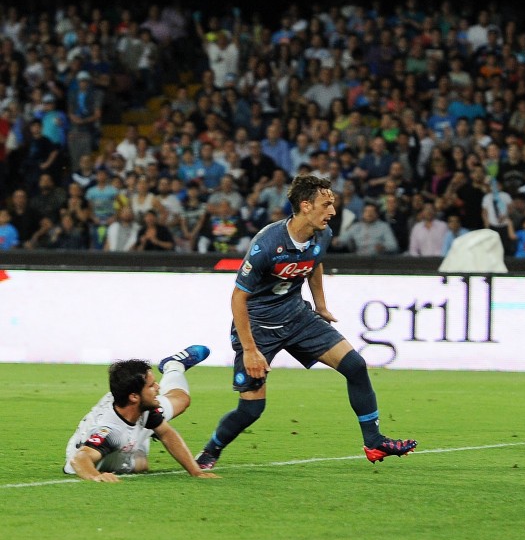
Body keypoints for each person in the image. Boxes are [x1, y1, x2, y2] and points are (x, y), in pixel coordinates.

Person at [194, 174, 416, 471]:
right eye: (327, 204)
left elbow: (315, 263)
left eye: (333, 204)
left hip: (298, 317)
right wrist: (249, 349)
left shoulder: (321, 234)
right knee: (251, 409)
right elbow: (238, 298)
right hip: (259, 328)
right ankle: (211, 451)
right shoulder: (267, 243)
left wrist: (321, 305)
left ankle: (373, 441)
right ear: (306, 206)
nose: (333, 211)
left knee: (355, 366)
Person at [64, 346, 219, 482]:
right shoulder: (111, 433)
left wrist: (195, 471)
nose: (158, 387)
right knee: (140, 464)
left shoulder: (142, 406)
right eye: (152, 385)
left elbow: (167, 433)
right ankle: (147, 431)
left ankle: (174, 365)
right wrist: (95, 476)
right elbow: (80, 459)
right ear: (134, 396)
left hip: (132, 413)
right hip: (106, 449)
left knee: (182, 400)